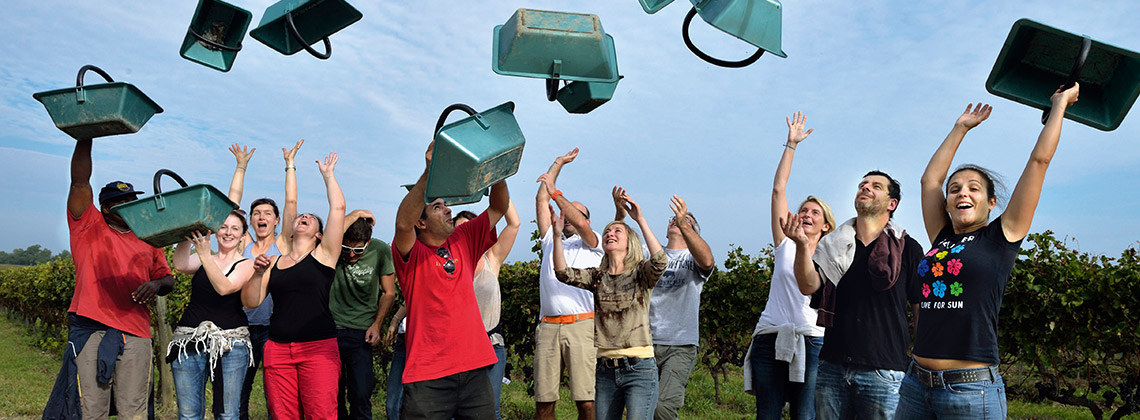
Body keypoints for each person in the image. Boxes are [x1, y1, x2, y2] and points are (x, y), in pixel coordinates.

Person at [896, 86, 1081, 419]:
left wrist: (1060, 106)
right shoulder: (941, 237)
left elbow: (1039, 162)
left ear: (991, 202)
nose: (961, 193)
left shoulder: (1001, 236)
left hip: (969, 392)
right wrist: (960, 128)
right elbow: (929, 181)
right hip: (915, 385)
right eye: (955, 190)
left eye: (973, 188)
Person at [44, 138, 175, 419]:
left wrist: (155, 285)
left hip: (137, 333)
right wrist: (86, 135)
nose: (130, 206)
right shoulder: (88, 226)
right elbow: (79, 182)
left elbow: (168, 279)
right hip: (91, 329)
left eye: (132, 201)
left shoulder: (148, 237)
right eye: (121, 202)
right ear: (105, 208)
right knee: (92, 409)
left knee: (134, 410)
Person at [784, 168, 923, 420]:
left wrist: (920, 359)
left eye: (876, 186)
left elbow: (919, 306)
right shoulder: (833, 246)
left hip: (885, 369)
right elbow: (807, 285)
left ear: (892, 204)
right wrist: (803, 246)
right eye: (863, 184)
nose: (866, 188)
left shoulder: (908, 249)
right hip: (832, 366)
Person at [391, 139, 510, 419]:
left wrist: (498, 171)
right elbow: (402, 224)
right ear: (421, 223)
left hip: (474, 370)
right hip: (427, 377)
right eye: (438, 207)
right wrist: (429, 172)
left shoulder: (463, 239)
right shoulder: (411, 254)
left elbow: (498, 208)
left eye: (446, 205)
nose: (448, 210)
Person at [744, 112, 835, 420]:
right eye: (803, 210)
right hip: (770, 337)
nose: (807, 214)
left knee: (805, 415)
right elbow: (778, 190)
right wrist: (791, 144)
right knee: (767, 414)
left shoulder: (831, 255)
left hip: (812, 342)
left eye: (814, 212)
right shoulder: (784, 243)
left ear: (825, 226)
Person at [551, 183, 669, 420]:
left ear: (630, 242)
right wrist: (556, 236)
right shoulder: (597, 277)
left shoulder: (640, 273)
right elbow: (563, 272)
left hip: (639, 368)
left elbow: (659, 261)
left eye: (617, 231)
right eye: (607, 231)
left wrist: (640, 220)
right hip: (605, 369)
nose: (610, 234)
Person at [242, 151, 346, 419]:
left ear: (319, 234)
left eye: (311, 217)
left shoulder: (325, 254)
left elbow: (337, 209)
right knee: (282, 415)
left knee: (320, 414)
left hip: (318, 348)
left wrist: (328, 176)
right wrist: (256, 274)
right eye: (301, 215)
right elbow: (251, 302)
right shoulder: (274, 261)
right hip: (277, 349)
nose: (304, 216)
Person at [225, 141, 302, 420]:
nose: (261, 216)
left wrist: (289, 165)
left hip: (273, 330)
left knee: (275, 396)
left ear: (277, 220)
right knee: (238, 394)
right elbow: (231, 206)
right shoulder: (242, 243)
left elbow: (291, 202)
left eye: (267, 213)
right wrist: (241, 167)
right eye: (256, 213)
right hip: (241, 329)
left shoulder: (282, 244)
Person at [534, 148, 604, 420]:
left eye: (577, 212)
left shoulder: (594, 243)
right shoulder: (551, 240)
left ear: (586, 220)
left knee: (586, 401)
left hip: (582, 326)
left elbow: (570, 214)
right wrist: (558, 163)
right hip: (549, 326)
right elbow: (541, 200)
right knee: (544, 401)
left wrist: (556, 193)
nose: (569, 215)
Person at [632, 191, 714, 420]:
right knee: (640, 410)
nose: (676, 221)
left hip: (680, 345)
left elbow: (707, 261)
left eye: (686, 220)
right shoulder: (652, 254)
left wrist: (684, 224)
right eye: (674, 219)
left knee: (663, 409)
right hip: (645, 342)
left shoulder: (692, 257)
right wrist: (634, 217)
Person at [168, 213, 256, 420]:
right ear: (216, 232)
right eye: (223, 227)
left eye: (235, 228)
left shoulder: (247, 264)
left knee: (227, 414)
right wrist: (185, 233)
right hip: (189, 340)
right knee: (188, 413)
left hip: (231, 344)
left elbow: (224, 288)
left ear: (243, 235)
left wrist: (205, 256)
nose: (228, 232)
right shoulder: (203, 258)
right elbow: (180, 265)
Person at [455, 201, 522, 419]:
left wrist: (498, 178)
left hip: (491, 344)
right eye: (459, 228)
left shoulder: (492, 258)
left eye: (469, 227)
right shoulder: (449, 265)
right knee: (457, 411)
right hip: (458, 348)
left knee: (490, 409)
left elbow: (514, 223)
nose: (464, 232)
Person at [332, 210, 398, 420]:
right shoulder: (331, 246)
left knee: (360, 394)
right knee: (333, 396)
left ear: (368, 243)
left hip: (361, 333)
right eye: (346, 248)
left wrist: (377, 324)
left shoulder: (379, 250)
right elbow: (331, 230)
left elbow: (389, 293)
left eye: (358, 250)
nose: (351, 255)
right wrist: (356, 214)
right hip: (330, 331)